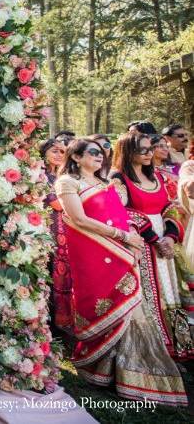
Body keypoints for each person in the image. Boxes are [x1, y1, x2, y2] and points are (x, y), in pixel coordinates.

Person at [55, 138, 186, 406]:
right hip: (94, 256)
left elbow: (121, 215)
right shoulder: (68, 182)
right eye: (92, 153)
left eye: (102, 153)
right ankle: (106, 370)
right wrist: (122, 237)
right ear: (76, 157)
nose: (99, 157)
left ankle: (130, 375)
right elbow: (79, 219)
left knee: (134, 311)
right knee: (112, 308)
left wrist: (131, 239)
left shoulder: (105, 184)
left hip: (121, 253)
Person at [110, 133, 194, 361]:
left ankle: (179, 346)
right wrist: (153, 238)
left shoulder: (154, 175)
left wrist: (169, 235)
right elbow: (121, 213)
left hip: (164, 242)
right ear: (128, 152)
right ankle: (155, 350)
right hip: (141, 245)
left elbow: (170, 206)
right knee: (150, 294)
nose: (150, 153)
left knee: (171, 290)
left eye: (151, 149)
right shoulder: (118, 178)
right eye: (144, 150)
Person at [39, 138, 71, 332]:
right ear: (44, 154)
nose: (59, 155)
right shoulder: (41, 176)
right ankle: (49, 322)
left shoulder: (67, 176)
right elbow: (57, 204)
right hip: (48, 228)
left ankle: (65, 320)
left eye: (62, 151)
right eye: (55, 151)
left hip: (69, 228)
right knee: (49, 271)